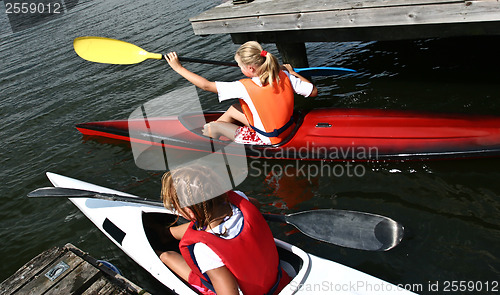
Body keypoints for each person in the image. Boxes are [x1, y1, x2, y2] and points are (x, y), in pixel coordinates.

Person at [158, 166, 291, 295]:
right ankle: (167, 233)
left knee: (167, 256)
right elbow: (256, 204)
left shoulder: (204, 250)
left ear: (188, 211)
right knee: (199, 229)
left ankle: (160, 245)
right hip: (278, 279)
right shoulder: (240, 200)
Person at [165, 41, 318, 145]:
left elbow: (206, 85)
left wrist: (179, 68)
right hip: (287, 127)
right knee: (233, 109)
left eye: (240, 66)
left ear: (250, 69)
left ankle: (206, 142)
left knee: (213, 126)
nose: (240, 69)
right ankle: (212, 133)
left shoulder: (243, 87)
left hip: (268, 139)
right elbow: (313, 92)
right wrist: (292, 72)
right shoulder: (285, 76)